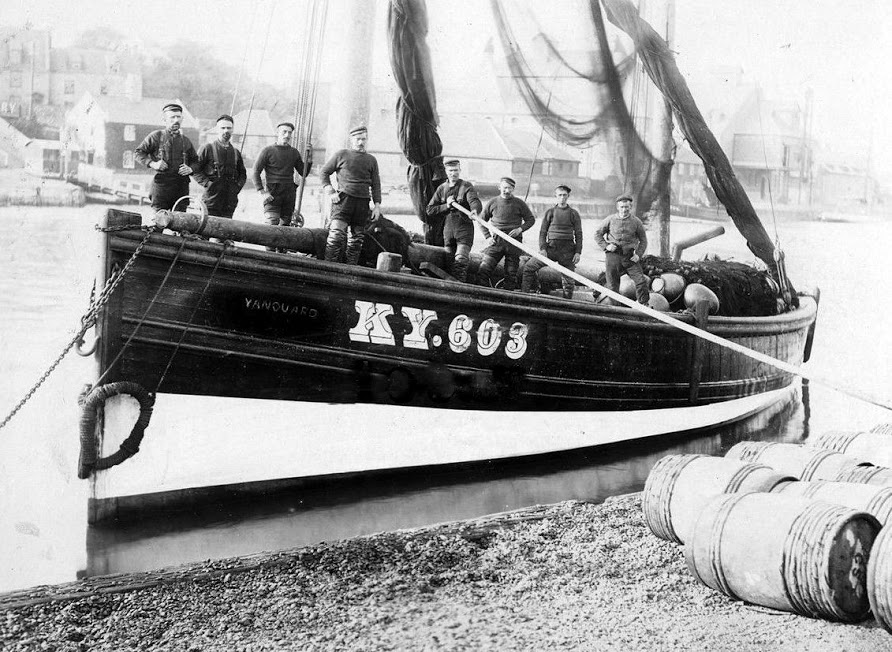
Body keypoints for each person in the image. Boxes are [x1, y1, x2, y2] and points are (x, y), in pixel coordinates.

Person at [319, 126, 382, 265]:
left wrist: (377, 206)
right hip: (343, 201)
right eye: (358, 139)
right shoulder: (342, 154)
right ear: (351, 139)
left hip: (362, 203)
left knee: (356, 240)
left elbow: (376, 184)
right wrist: (330, 191)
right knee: (336, 236)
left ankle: (349, 271)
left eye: (363, 139)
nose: (361, 142)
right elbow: (324, 172)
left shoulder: (371, 160)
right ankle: (328, 269)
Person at [425, 159, 482, 282]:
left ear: (460, 170)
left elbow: (474, 201)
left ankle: (459, 288)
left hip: (464, 230)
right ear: (446, 172)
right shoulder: (442, 189)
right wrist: (446, 206)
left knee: (461, 261)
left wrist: (474, 210)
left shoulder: (466, 186)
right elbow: (430, 209)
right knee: (449, 263)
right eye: (450, 171)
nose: (453, 173)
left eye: (456, 170)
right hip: (448, 231)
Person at [521, 184, 582, 299]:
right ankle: (524, 297)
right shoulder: (550, 212)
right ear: (556, 196)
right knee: (529, 267)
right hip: (551, 248)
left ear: (568, 196)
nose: (562, 197)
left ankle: (567, 304)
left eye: (564, 195)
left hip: (567, 250)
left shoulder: (574, 213)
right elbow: (542, 232)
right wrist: (543, 249)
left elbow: (579, 234)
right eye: (560, 195)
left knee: (569, 280)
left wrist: (578, 252)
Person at [134, 102, 198, 211]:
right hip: (161, 188)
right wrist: (152, 163)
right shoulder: (156, 136)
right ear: (164, 120)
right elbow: (138, 153)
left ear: (182, 119)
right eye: (172, 117)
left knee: (180, 219)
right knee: (159, 219)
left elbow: (196, 161)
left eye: (178, 117)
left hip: (181, 188)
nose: (176, 120)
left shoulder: (185, 141)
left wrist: (191, 169)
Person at [477, 177, 535, 290]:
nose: (506, 191)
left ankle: (508, 297)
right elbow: (481, 221)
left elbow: (531, 220)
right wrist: (488, 237)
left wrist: (520, 229)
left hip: (514, 242)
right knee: (484, 269)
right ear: (499, 187)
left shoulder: (519, 203)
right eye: (504, 188)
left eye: (509, 188)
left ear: (513, 189)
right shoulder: (492, 202)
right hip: (497, 241)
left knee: (511, 274)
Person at [253, 121, 312, 232]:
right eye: (284, 132)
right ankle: (269, 245)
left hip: (289, 194)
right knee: (271, 223)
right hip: (272, 194)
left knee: (285, 227)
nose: (287, 135)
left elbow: (304, 173)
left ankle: (282, 244)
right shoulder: (267, 151)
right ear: (277, 133)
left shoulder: (294, 152)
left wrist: (309, 158)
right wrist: (262, 191)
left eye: (289, 133)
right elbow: (255, 172)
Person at [594, 194, 650, 304]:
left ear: (630, 207)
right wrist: (606, 246)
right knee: (612, 285)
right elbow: (597, 234)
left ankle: (643, 305)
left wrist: (638, 255)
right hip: (613, 257)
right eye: (622, 207)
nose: (624, 210)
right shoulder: (610, 219)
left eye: (627, 207)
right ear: (617, 207)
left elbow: (643, 241)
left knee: (641, 281)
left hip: (629, 257)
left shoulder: (636, 222)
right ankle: (616, 308)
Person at [192, 114, 247, 218]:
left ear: (232, 130)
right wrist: (207, 183)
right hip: (211, 200)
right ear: (217, 129)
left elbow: (243, 174)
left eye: (229, 128)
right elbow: (195, 170)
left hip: (229, 202)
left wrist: (237, 187)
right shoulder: (207, 148)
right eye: (223, 128)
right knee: (209, 226)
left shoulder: (235, 152)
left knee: (226, 227)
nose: (226, 131)